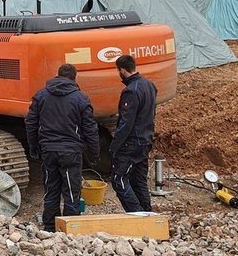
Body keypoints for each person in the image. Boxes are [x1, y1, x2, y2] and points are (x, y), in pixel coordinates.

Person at [25, 64, 100, 232]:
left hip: (49, 150)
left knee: (51, 189)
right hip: (71, 152)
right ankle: (70, 228)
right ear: (74, 78)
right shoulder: (81, 98)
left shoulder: (41, 96)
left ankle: (50, 228)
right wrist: (94, 154)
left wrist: (34, 147)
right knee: (71, 193)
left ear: (57, 75)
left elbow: (30, 123)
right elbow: (90, 128)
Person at [109, 55, 158, 213]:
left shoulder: (131, 91)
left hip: (132, 143)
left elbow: (126, 123)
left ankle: (136, 213)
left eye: (118, 71)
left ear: (122, 70)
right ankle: (147, 213)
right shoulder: (150, 86)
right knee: (138, 181)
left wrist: (114, 146)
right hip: (145, 140)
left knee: (118, 179)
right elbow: (152, 113)